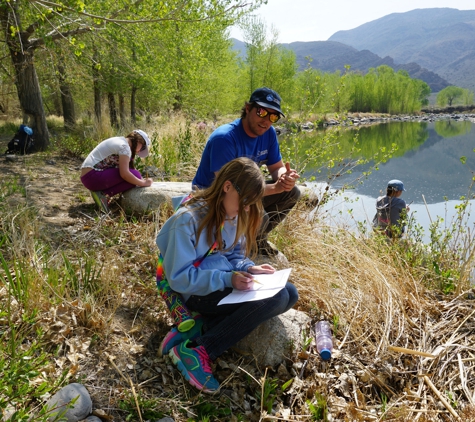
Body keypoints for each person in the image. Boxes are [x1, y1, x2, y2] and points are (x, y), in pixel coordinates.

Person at [156, 157, 299, 393]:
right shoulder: (187, 220)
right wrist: (227, 279)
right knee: (277, 298)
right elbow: (179, 277)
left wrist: (248, 267)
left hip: (220, 282)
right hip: (195, 292)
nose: (245, 209)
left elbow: (232, 253)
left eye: (250, 204)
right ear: (227, 186)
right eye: (244, 202)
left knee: (289, 293)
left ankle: (205, 324)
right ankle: (198, 349)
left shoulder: (232, 213)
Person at [192, 87, 301, 256]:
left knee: (292, 192)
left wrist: (283, 178)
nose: (266, 121)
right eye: (262, 112)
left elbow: (276, 167)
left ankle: (255, 240)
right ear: (248, 108)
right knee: (259, 217)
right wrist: (274, 188)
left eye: (273, 116)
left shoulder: (268, 133)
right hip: (212, 197)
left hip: (243, 192)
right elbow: (228, 189)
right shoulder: (225, 138)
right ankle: (242, 244)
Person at [80, 129, 153, 213]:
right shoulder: (124, 147)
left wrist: (139, 179)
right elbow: (125, 174)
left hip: (89, 176)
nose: (139, 151)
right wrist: (143, 183)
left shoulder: (121, 141)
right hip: (92, 176)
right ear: (139, 140)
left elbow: (129, 169)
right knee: (135, 175)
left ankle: (102, 193)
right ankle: (104, 194)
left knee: (135, 175)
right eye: (143, 147)